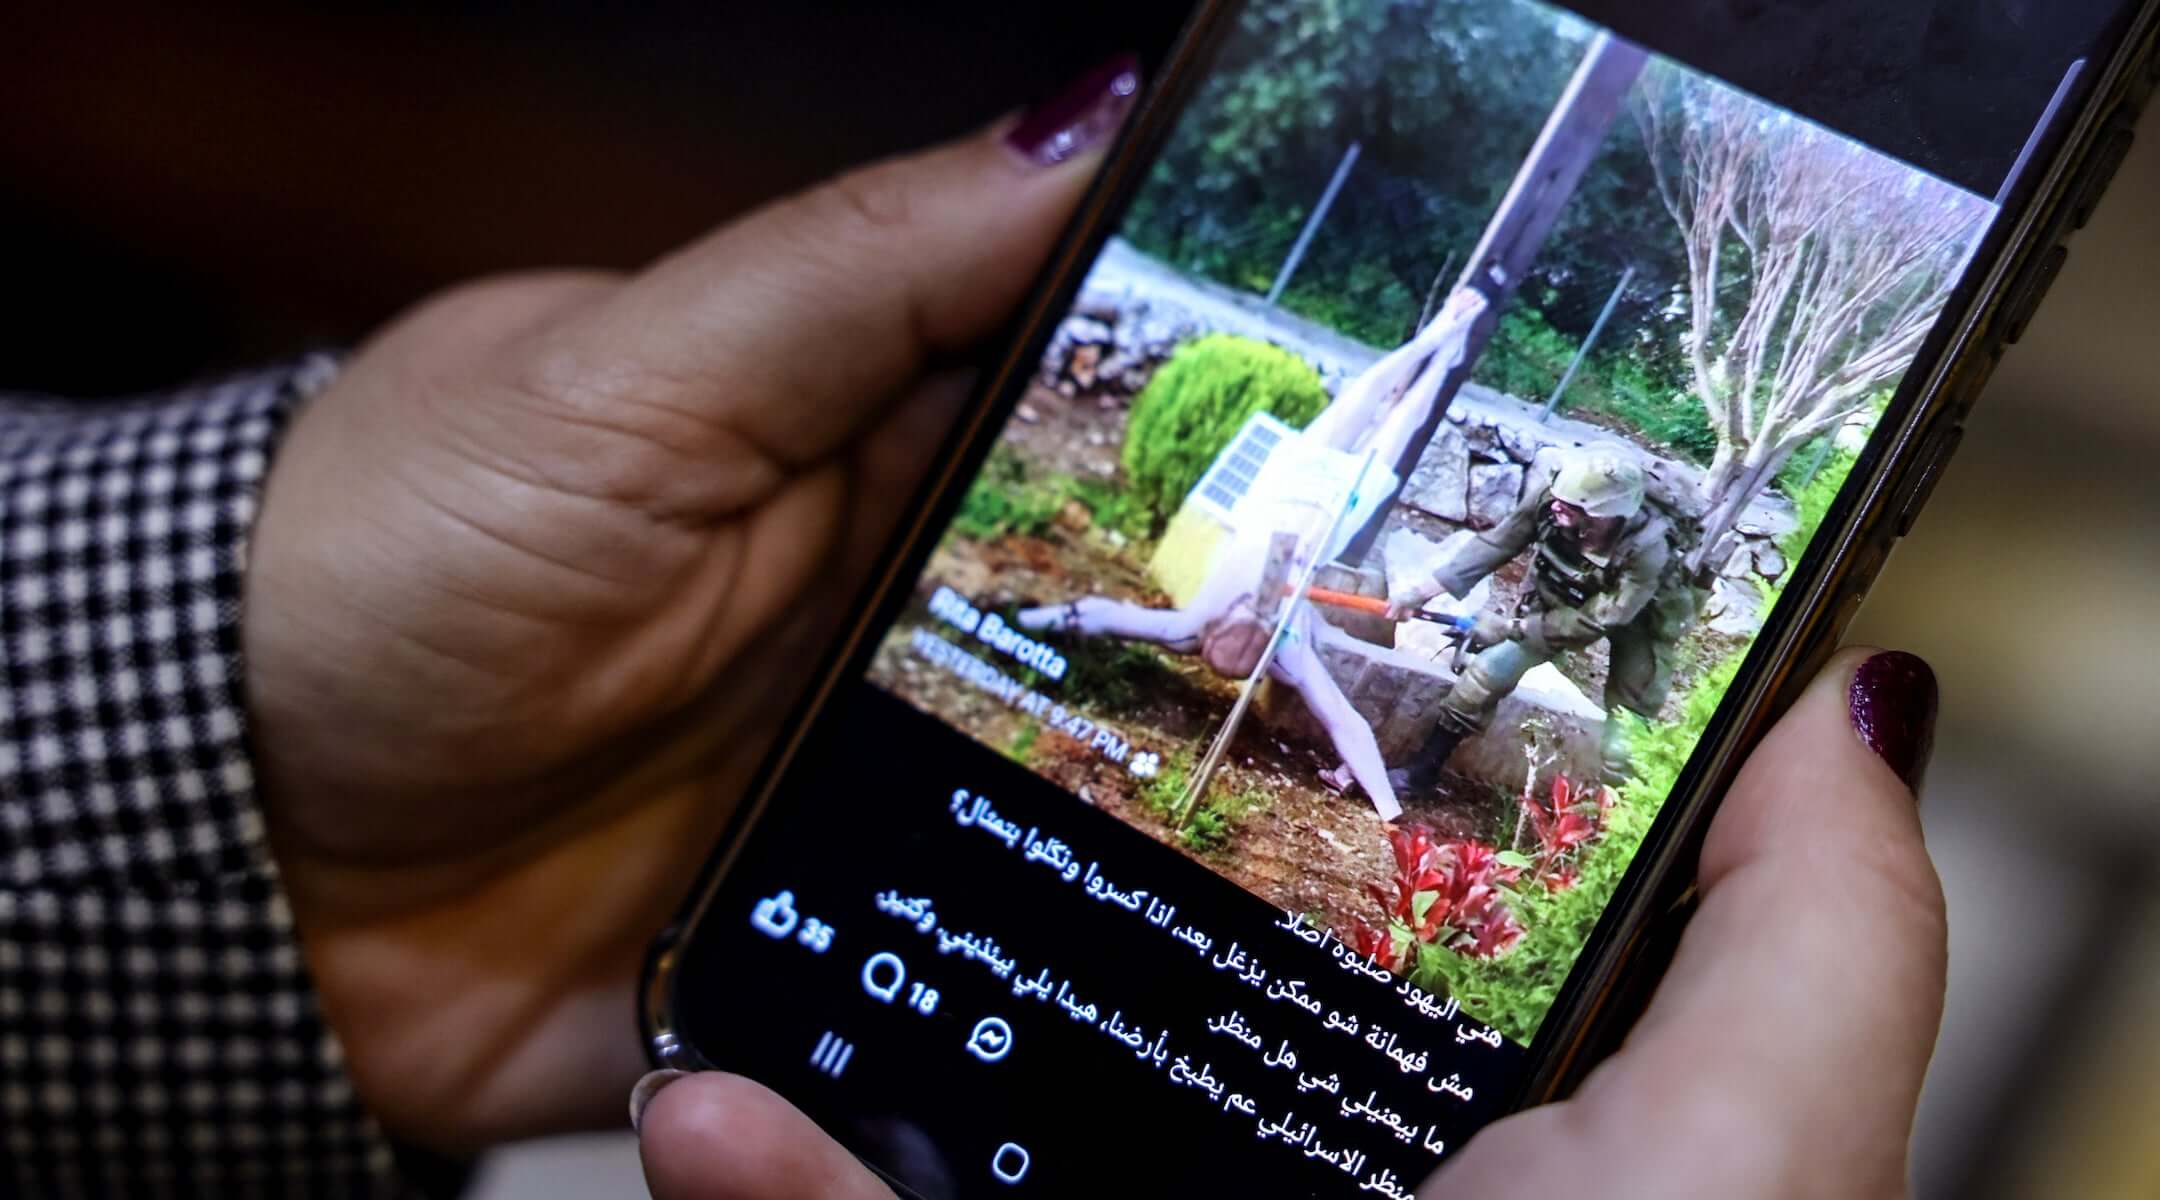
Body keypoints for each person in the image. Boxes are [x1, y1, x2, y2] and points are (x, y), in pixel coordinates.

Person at [0, 55, 1947, 1200]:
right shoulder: (1288, 479)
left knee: (1330, 704)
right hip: (1234, 599)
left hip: (1280, 609)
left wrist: (1439, 411)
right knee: (1185, 639)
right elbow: (1333, 466)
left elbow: (1398, 497)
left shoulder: (1459, 507)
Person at [1014, 275, 1500, 823]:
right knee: (1402, 422)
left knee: (1361, 400)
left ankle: (1436, 335)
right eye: (1256, 619)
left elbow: (1106, 616)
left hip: (1280, 499)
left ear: (1215, 629)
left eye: (1244, 616)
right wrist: (1389, 812)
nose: (1252, 611)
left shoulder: (1188, 625)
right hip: (1327, 515)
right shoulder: (1286, 648)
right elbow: (1347, 722)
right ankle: (1444, 354)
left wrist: (1038, 619)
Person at [1380, 441, 1697, 795]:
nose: (1557, 505)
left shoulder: (1648, 549)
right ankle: (1420, 775)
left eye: (1572, 505)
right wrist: (1420, 591)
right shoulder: (1554, 498)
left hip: (1641, 618)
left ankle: (1611, 824)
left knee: (1629, 724)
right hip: (1561, 596)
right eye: (1559, 496)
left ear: (1605, 514)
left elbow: (1600, 620)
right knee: (1485, 674)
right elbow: (1497, 543)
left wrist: (1511, 628)